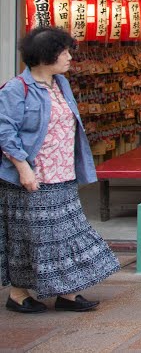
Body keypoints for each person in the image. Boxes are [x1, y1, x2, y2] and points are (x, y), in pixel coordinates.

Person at [0, 27, 119, 314]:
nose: (68, 57)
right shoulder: (17, 88)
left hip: (62, 174)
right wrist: (23, 168)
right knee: (30, 237)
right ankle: (18, 294)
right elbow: (5, 131)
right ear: (45, 57)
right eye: (63, 52)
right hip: (33, 178)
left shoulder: (60, 84)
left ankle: (67, 292)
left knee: (66, 234)